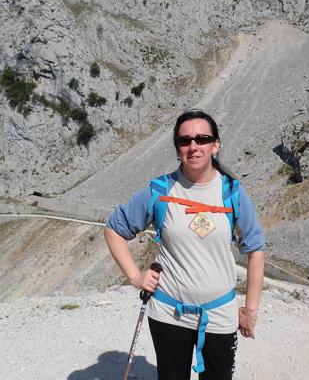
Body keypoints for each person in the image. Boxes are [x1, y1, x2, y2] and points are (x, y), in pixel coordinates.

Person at [104, 109, 265, 380]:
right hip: (168, 313)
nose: (193, 146)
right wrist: (135, 276)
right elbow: (114, 229)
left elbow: (256, 250)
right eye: (185, 140)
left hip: (219, 314)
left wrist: (250, 310)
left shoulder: (233, 192)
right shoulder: (160, 191)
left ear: (216, 145)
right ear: (177, 148)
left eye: (202, 139)